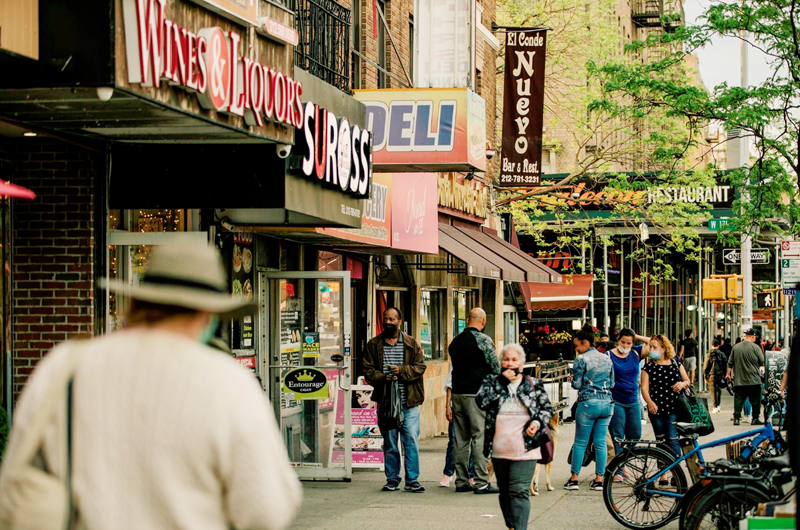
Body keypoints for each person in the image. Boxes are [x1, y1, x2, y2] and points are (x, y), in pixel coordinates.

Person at [0, 245, 302, 530]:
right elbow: (267, 507)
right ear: (207, 314)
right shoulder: (227, 383)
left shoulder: (65, 367)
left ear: (135, 303)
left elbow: (13, 480)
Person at [476, 344, 553, 530]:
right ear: (501, 362)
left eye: (514, 359)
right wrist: (501, 381)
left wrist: (536, 423)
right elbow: (482, 401)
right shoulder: (492, 381)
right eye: (506, 359)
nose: (510, 363)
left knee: (519, 492)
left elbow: (546, 410)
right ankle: (512, 526)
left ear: (522, 362)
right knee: (505, 493)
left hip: (526, 449)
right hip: (500, 449)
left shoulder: (533, 384)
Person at [363, 307, 427, 492]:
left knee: (411, 441)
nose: (388, 322)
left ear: (399, 321)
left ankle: (412, 480)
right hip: (386, 402)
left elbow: (420, 367)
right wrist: (384, 377)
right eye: (385, 319)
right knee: (391, 442)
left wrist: (402, 371)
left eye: (392, 319)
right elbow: (367, 371)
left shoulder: (411, 343)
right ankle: (392, 479)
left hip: (409, 402)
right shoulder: (374, 344)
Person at [448, 307, 500, 494]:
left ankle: (461, 481)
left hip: (458, 394)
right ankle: (481, 482)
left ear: (467, 319)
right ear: (483, 321)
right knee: (480, 437)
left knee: (460, 439)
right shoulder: (484, 340)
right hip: (476, 395)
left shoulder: (455, 342)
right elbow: (495, 367)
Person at [565, 325, 614, 491]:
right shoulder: (607, 358)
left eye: (577, 345)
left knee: (580, 442)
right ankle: (599, 479)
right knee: (600, 443)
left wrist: (574, 379)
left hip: (588, 403)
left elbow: (577, 384)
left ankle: (574, 479)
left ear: (585, 343)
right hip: (607, 404)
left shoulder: (581, 360)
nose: (576, 349)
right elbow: (612, 383)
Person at [641, 334, 691, 461]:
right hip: (656, 409)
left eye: (654, 347)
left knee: (672, 439)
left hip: (674, 408)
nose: (651, 350)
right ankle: (662, 472)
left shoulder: (675, 362)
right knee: (660, 441)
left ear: (664, 348)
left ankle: (675, 472)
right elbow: (644, 389)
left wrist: (682, 384)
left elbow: (687, 381)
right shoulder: (648, 367)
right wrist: (650, 403)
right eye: (650, 347)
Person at [607, 328, 642, 481]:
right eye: (623, 342)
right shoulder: (608, 355)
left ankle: (624, 461)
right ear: (617, 341)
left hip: (633, 400)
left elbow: (659, 345)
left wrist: (637, 336)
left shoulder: (635, 353)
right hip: (616, 401)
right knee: (618, 437)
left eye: (629, 343)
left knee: (635, 435)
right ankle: (619, 469)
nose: (626, 345)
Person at [441, 365, 476, 488]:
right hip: (457, 404)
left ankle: (471, 475)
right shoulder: (457, 358)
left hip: (475, 404)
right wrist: (448, 406)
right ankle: (448, 472)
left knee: (475, 442)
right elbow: (450, 385)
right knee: (454, 440)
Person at [726, 328, 765, 426]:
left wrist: (728, 374)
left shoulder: (736, 347)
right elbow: (762, 362)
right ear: (752, 337)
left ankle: (736, 418)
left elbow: (730, 363)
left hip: (739, 380)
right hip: (754, 380)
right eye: (755, 337)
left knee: (738, 399)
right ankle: (755, 418)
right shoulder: (756, 348)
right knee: (756, 400)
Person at [703, 338, 727, 413]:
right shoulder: (722, 354)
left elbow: (706, 367)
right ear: (718, 345)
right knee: (718, 390)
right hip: (720, 374)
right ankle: (718, 405)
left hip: (711, 375)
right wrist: (725, 374)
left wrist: (705, 376)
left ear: (711, 345)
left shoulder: (708, 354)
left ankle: (714, 406)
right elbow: (725, 365)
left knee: (712, 391)